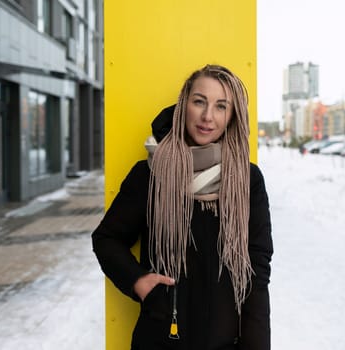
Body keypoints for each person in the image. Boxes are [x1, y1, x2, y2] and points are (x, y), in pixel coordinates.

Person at [92, 64, 273, 350]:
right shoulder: (150, 174)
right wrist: (138, 282)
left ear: (232, 117)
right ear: (183, 104)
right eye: (199, 101)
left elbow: (257, 271)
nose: (207, 116)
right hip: (160, 340)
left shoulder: (247, 180)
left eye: (221, 106)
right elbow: (106, 239)